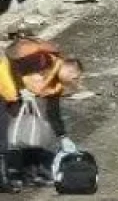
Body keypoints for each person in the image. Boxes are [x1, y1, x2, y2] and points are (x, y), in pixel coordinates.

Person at [0, 37, 83, 192]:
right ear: (69, 68)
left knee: (32, 131)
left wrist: (63, 137)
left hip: (15, 94)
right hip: (3, 86)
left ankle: (32, 174)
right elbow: (11, 55)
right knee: (3, 136)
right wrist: (21, 84)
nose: (76, 83)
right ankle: (3, 179)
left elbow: (53, 112)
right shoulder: (40, 57)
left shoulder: (55, 82)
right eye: (75, 78)